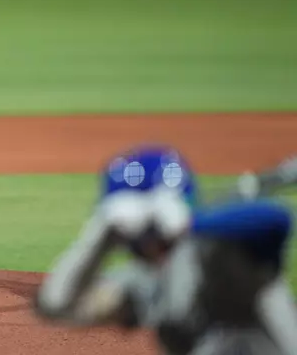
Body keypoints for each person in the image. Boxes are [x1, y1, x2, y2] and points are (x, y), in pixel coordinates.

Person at [35, 144, 297, 355]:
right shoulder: (142, 283)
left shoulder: (224, 251)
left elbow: (278, 219)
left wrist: (191, 225)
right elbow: (56, 305)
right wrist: (99, 235)